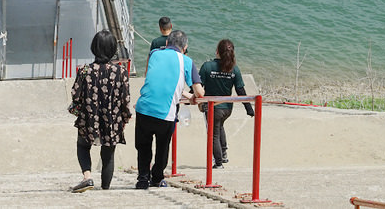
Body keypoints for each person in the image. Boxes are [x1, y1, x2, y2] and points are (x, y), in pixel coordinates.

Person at [134, 30, 205, 189]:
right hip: (165, 113)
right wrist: (193, 97)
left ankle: (142, 179)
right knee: (162, 147)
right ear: (185, 47)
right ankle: (157, 178)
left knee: (144, 147)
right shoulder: (186, 61)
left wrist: (183, 93)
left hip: (144, 107)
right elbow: (199, 92)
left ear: (166, 44)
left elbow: (153, 77)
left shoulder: (154, 53)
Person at [68, 30, 132, 192]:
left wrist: (78, 111)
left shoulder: (84, 71)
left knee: (83, 146)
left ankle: (87, 177)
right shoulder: (121, 72)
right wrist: (125, 118)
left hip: (89, 117)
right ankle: (105, 189)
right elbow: (125, 99)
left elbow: (76, 95)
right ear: (113, 49)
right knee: (108, 155)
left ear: (94, 47)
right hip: (113, 119)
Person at [199, 39, 255, 169]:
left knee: (213, 134)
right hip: (227, 109)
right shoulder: (234, 69)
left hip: (213, 107)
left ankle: (218, 163)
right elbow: (240, 90)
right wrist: (249, 108)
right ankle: (223, 154)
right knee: (219, 127)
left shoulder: (207, 66)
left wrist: (191, 97)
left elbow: (197, 86)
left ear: (217, 51)